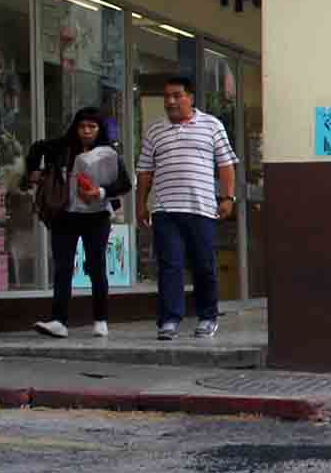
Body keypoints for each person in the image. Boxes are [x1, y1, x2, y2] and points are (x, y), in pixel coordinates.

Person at [136, 76, 238, 341]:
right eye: (167, 97)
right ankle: (169, 320)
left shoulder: (212, 125)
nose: (170, 101)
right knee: (170, 266)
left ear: (190, 98)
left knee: (204, 265)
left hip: (201, 209)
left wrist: (228, 197)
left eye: (177, 95)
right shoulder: (155, 130)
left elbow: (226, 164)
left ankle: (207, 317)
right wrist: (141, 205)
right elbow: (145, 171)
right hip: (165, 210)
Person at [24, 106, 131, 339]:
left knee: (96, 267)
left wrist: (100, 192)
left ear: (99, 129)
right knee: (62, 267)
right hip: (65, 215)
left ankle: (100, 319)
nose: (86, 131)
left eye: (92, 126)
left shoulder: (109, 153)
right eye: (82, 126)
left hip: (97, 216)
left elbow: (124, 184)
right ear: (75, 127)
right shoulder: (62, 147)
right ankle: (59, 321)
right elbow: (37, 148)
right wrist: (33, 172)